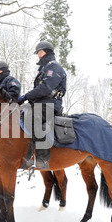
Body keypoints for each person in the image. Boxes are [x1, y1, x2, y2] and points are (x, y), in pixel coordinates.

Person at [18, 41, 67, 169]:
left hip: (49, 105)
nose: (39, 55)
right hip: (41, 103)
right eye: (38, 53)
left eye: (40, 52)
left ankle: (42, 158)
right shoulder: (45, 68)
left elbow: (45, 88)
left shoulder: (54, 67)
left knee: (33, 117)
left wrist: (26, 96)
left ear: (48, 52)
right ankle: (26, 154)